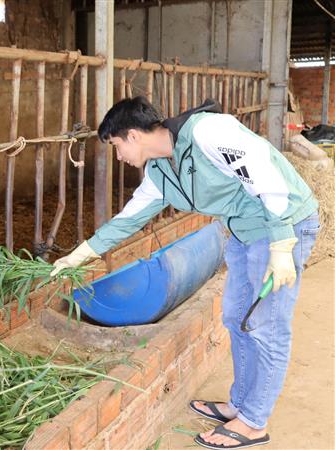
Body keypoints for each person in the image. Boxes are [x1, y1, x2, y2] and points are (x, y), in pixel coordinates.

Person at [50, 96, 319, 449]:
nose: (119, 157)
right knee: (237, 317)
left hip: (282, 227)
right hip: (241, 233)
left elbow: (261, 168)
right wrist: (81, 254)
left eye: (116, 146)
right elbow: (128, 219)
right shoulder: (161, 172)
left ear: (132, 136)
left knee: (267, 327)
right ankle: (239, 404)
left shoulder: (208, 131)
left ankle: (254, 422)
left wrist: (282, 244)